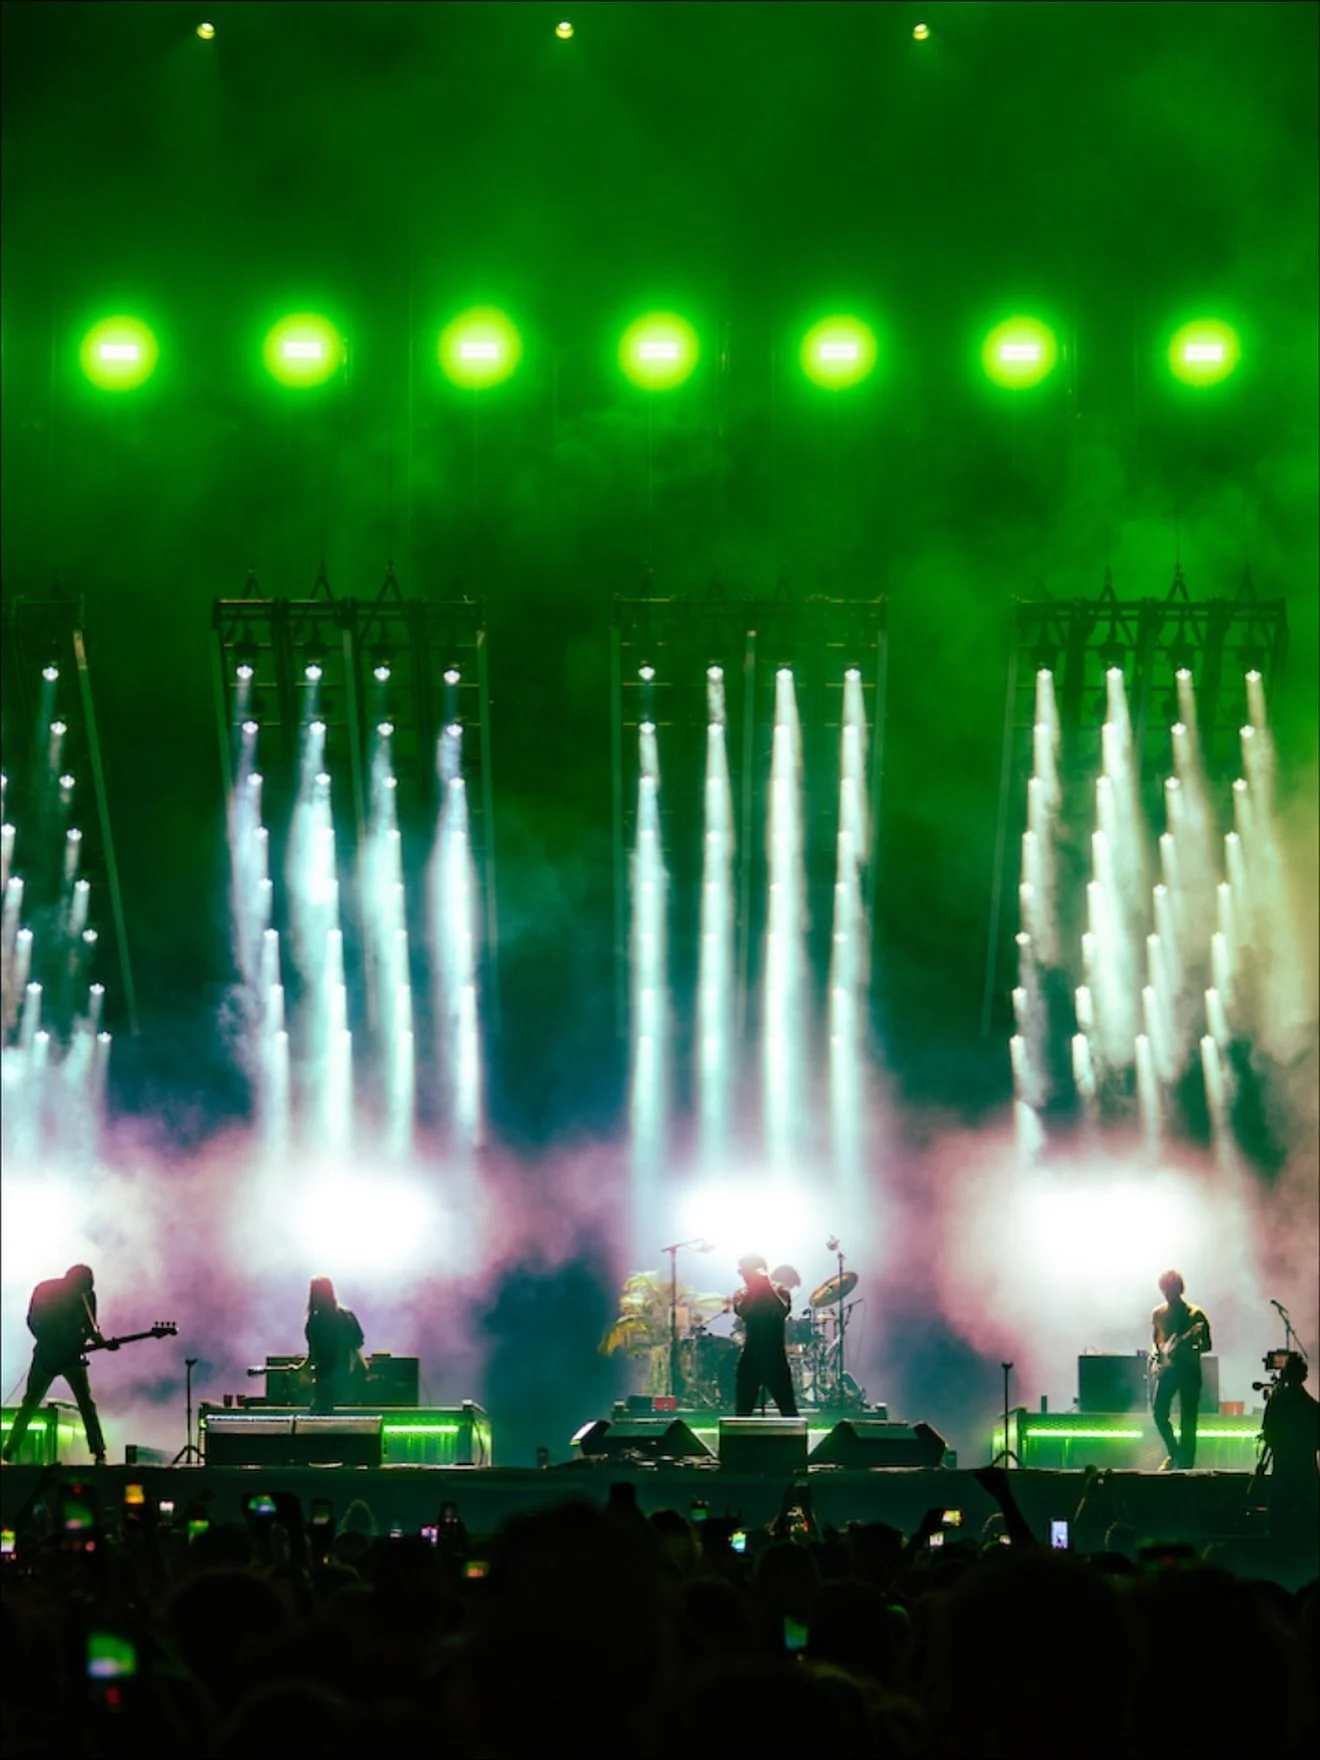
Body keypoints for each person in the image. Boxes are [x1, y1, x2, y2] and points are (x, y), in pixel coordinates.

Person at [2, 1264, 111, 1466]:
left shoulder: (87, 1297)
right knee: (31, 1402)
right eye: (81, 1287)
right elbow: (33, 1321)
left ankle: (99, 1452)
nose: (83, 1293)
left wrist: (103, 1342)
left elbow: (90, 1328)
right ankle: (8, 1452)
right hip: (47, 1355)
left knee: (85, 1403)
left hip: (70, 1356)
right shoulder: (45, 1290)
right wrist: (50, 1344)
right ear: (70, 1281)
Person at [1150, 1270, 1211, 1470]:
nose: (1168, 1294)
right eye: (1165, 1290)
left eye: (1171, 1290)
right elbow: (1156, 1342)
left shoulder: (1195, 1315)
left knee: (1188, 1419)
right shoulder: (1158, 1314)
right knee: (1159, 1413)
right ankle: (1174, 1453)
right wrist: (1157, 1357)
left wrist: (1188, 1347)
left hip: (1189, 1370)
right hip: (1167, 1370)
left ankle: (1186, 1464)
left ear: (1180, 1289)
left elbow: (1207, 1345)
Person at [732, 1254, 798, 1418]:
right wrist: (754, 1289)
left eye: (747, 1272)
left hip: (775, 1356)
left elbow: (782, 1311)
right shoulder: (741, 1293)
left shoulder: (781, 1290)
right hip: (751, 1356)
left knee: (788, 1410)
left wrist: (765, 1285)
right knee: (743, 1411)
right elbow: (742, 1311)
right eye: (742, 1272)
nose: (744, 1276)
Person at [300, 1276, 366, 1414]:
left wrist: (300, 1368)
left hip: (326, 1379)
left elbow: (313, 1355)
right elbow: (359, 1341)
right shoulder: (347, 1315)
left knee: (320, 1415)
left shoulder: (315, 1321)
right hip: (350, 1376)